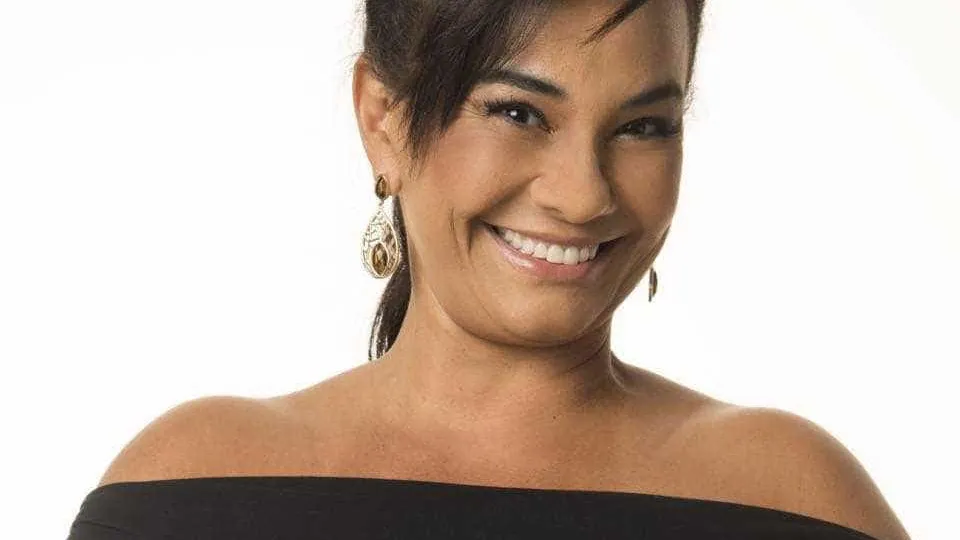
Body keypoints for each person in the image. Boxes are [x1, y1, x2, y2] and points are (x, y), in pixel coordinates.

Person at [66, 0, 911, 539]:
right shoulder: (186, 490)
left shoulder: (793, 498)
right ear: (383, 120)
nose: (583, 195)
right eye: (517, 112)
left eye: (643, 126)